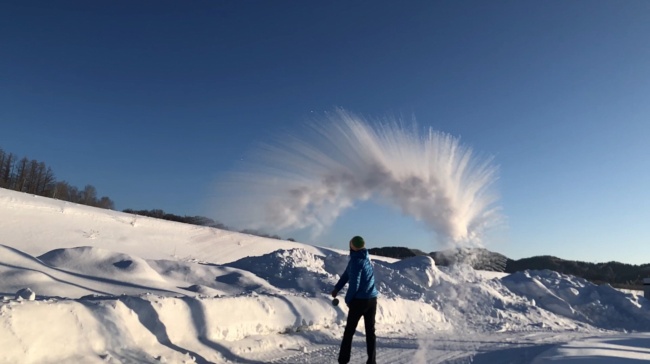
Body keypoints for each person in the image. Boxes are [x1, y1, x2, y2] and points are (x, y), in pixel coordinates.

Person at [331, 235, 379, 364]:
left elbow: (354, 284)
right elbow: (347, 274)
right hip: (372, 299)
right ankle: (372, 361)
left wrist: (348, 300)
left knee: (349, 332)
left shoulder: (355, 261)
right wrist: (337, 288)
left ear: (352, 247)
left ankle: (343, 360)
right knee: (370, 332)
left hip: (360, 301)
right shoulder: (365, 258)